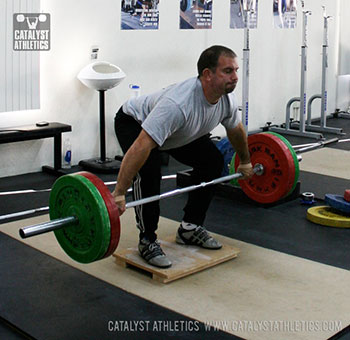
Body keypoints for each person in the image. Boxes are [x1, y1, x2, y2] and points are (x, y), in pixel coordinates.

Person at [112, 45, 254, 268]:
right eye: (228, 71)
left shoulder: (226, 100)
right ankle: (147, 240)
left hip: (176, 133)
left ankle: (190, 227)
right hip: (134, 122)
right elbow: (140, 146)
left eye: (235, 70)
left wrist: (245, 161)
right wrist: (119, 193)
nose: (235, 77)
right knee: (149, 171)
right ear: (207, 74)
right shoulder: (178, 104)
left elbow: (235, 130)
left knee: (212, 161)